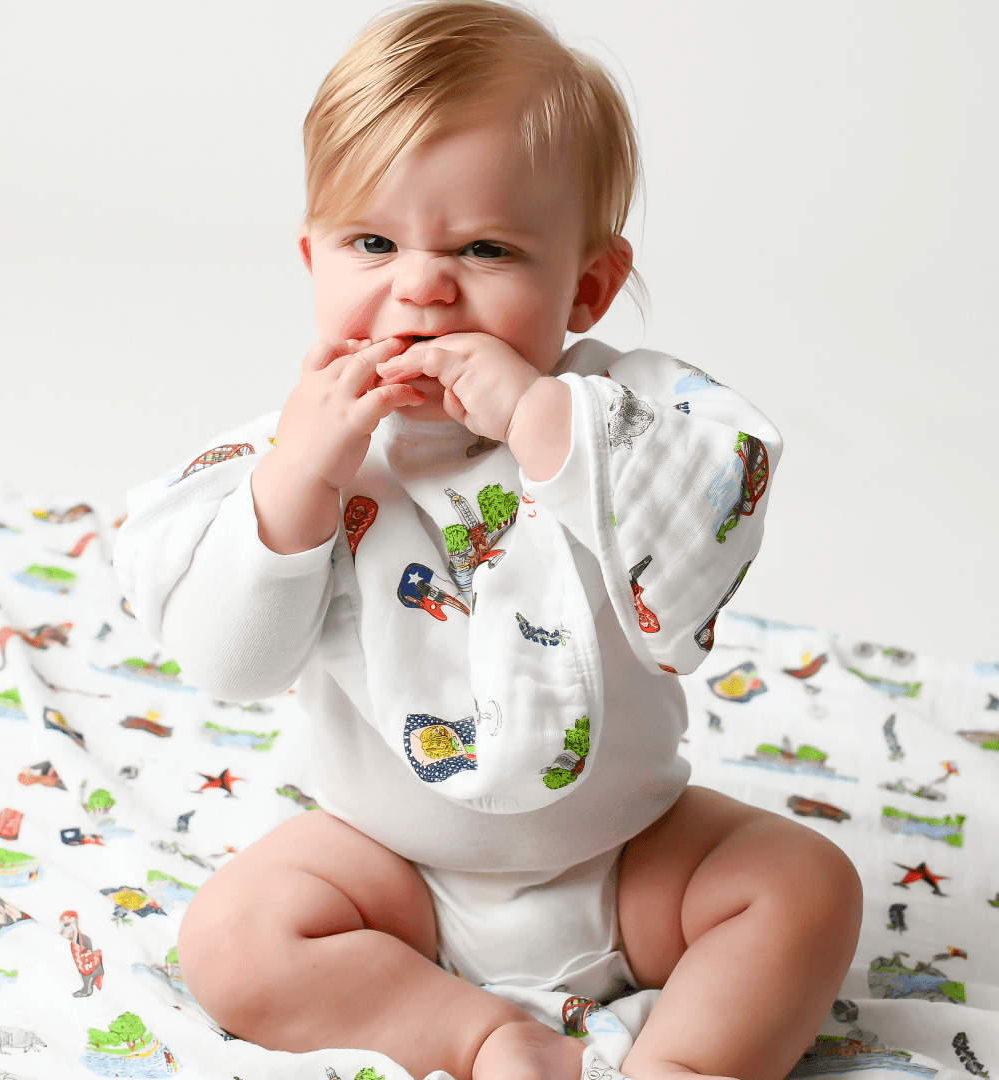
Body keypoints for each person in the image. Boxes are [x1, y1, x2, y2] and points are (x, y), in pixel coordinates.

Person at [113, 4, 862, 1079]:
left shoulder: (626, 419)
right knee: (233, 938)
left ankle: (685, 1063)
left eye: (485, 249)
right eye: (373, 243)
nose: (421, 286)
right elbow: (228, 664)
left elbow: (705, 520)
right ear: (312, 255)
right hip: (389, 876)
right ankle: (477, 1038)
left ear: (588, 285)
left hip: (633, 861)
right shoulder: (292, 453)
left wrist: (537, 420)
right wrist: (299, 481)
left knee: (807, 885)